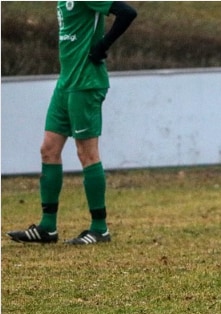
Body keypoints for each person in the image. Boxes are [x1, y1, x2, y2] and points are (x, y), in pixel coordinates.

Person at [7, 1, 137, 245]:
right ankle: (48, 228)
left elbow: (127, 13)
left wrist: (102, 46)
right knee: (48, 149)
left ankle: (100, 228)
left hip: (86, 82)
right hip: (65, 83)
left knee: (87, 153)